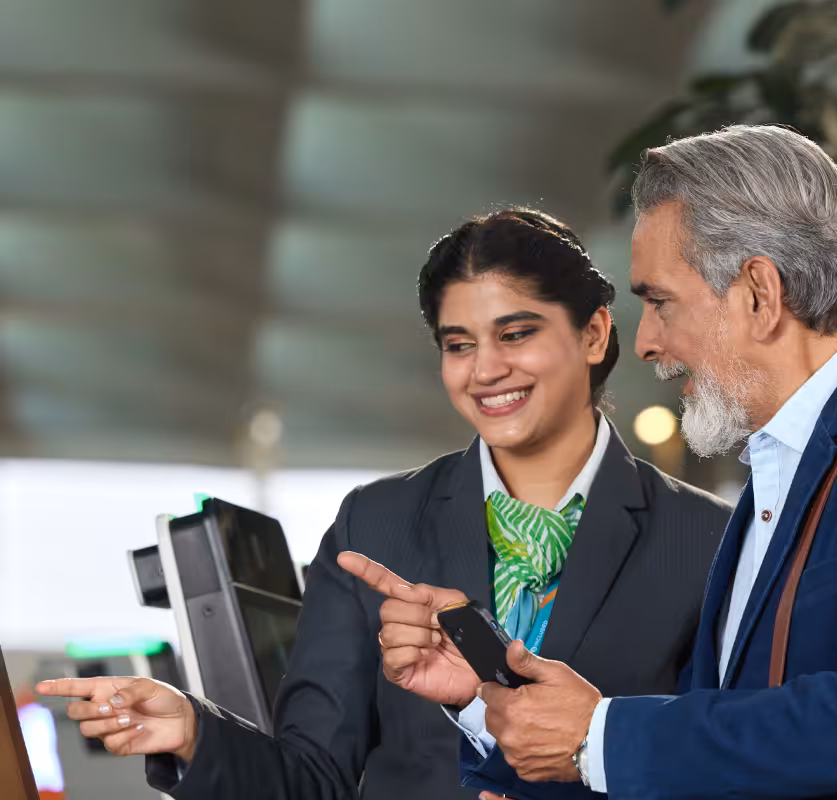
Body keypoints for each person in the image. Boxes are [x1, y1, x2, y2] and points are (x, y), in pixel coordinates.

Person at [375, 126, 837, 799]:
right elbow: (720, 764)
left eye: (660, 303)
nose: (645, 343)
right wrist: (492, 703)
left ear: (758, 294)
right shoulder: (780, 472)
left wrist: (601, 734)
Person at [37, 208, 731, 800]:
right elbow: (313, 777)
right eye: (458, 345)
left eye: (516, 334)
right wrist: (193, 733)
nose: (485, 369)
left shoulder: (706, 541)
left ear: (594, 334)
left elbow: (723, 767)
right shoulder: (377, 524)